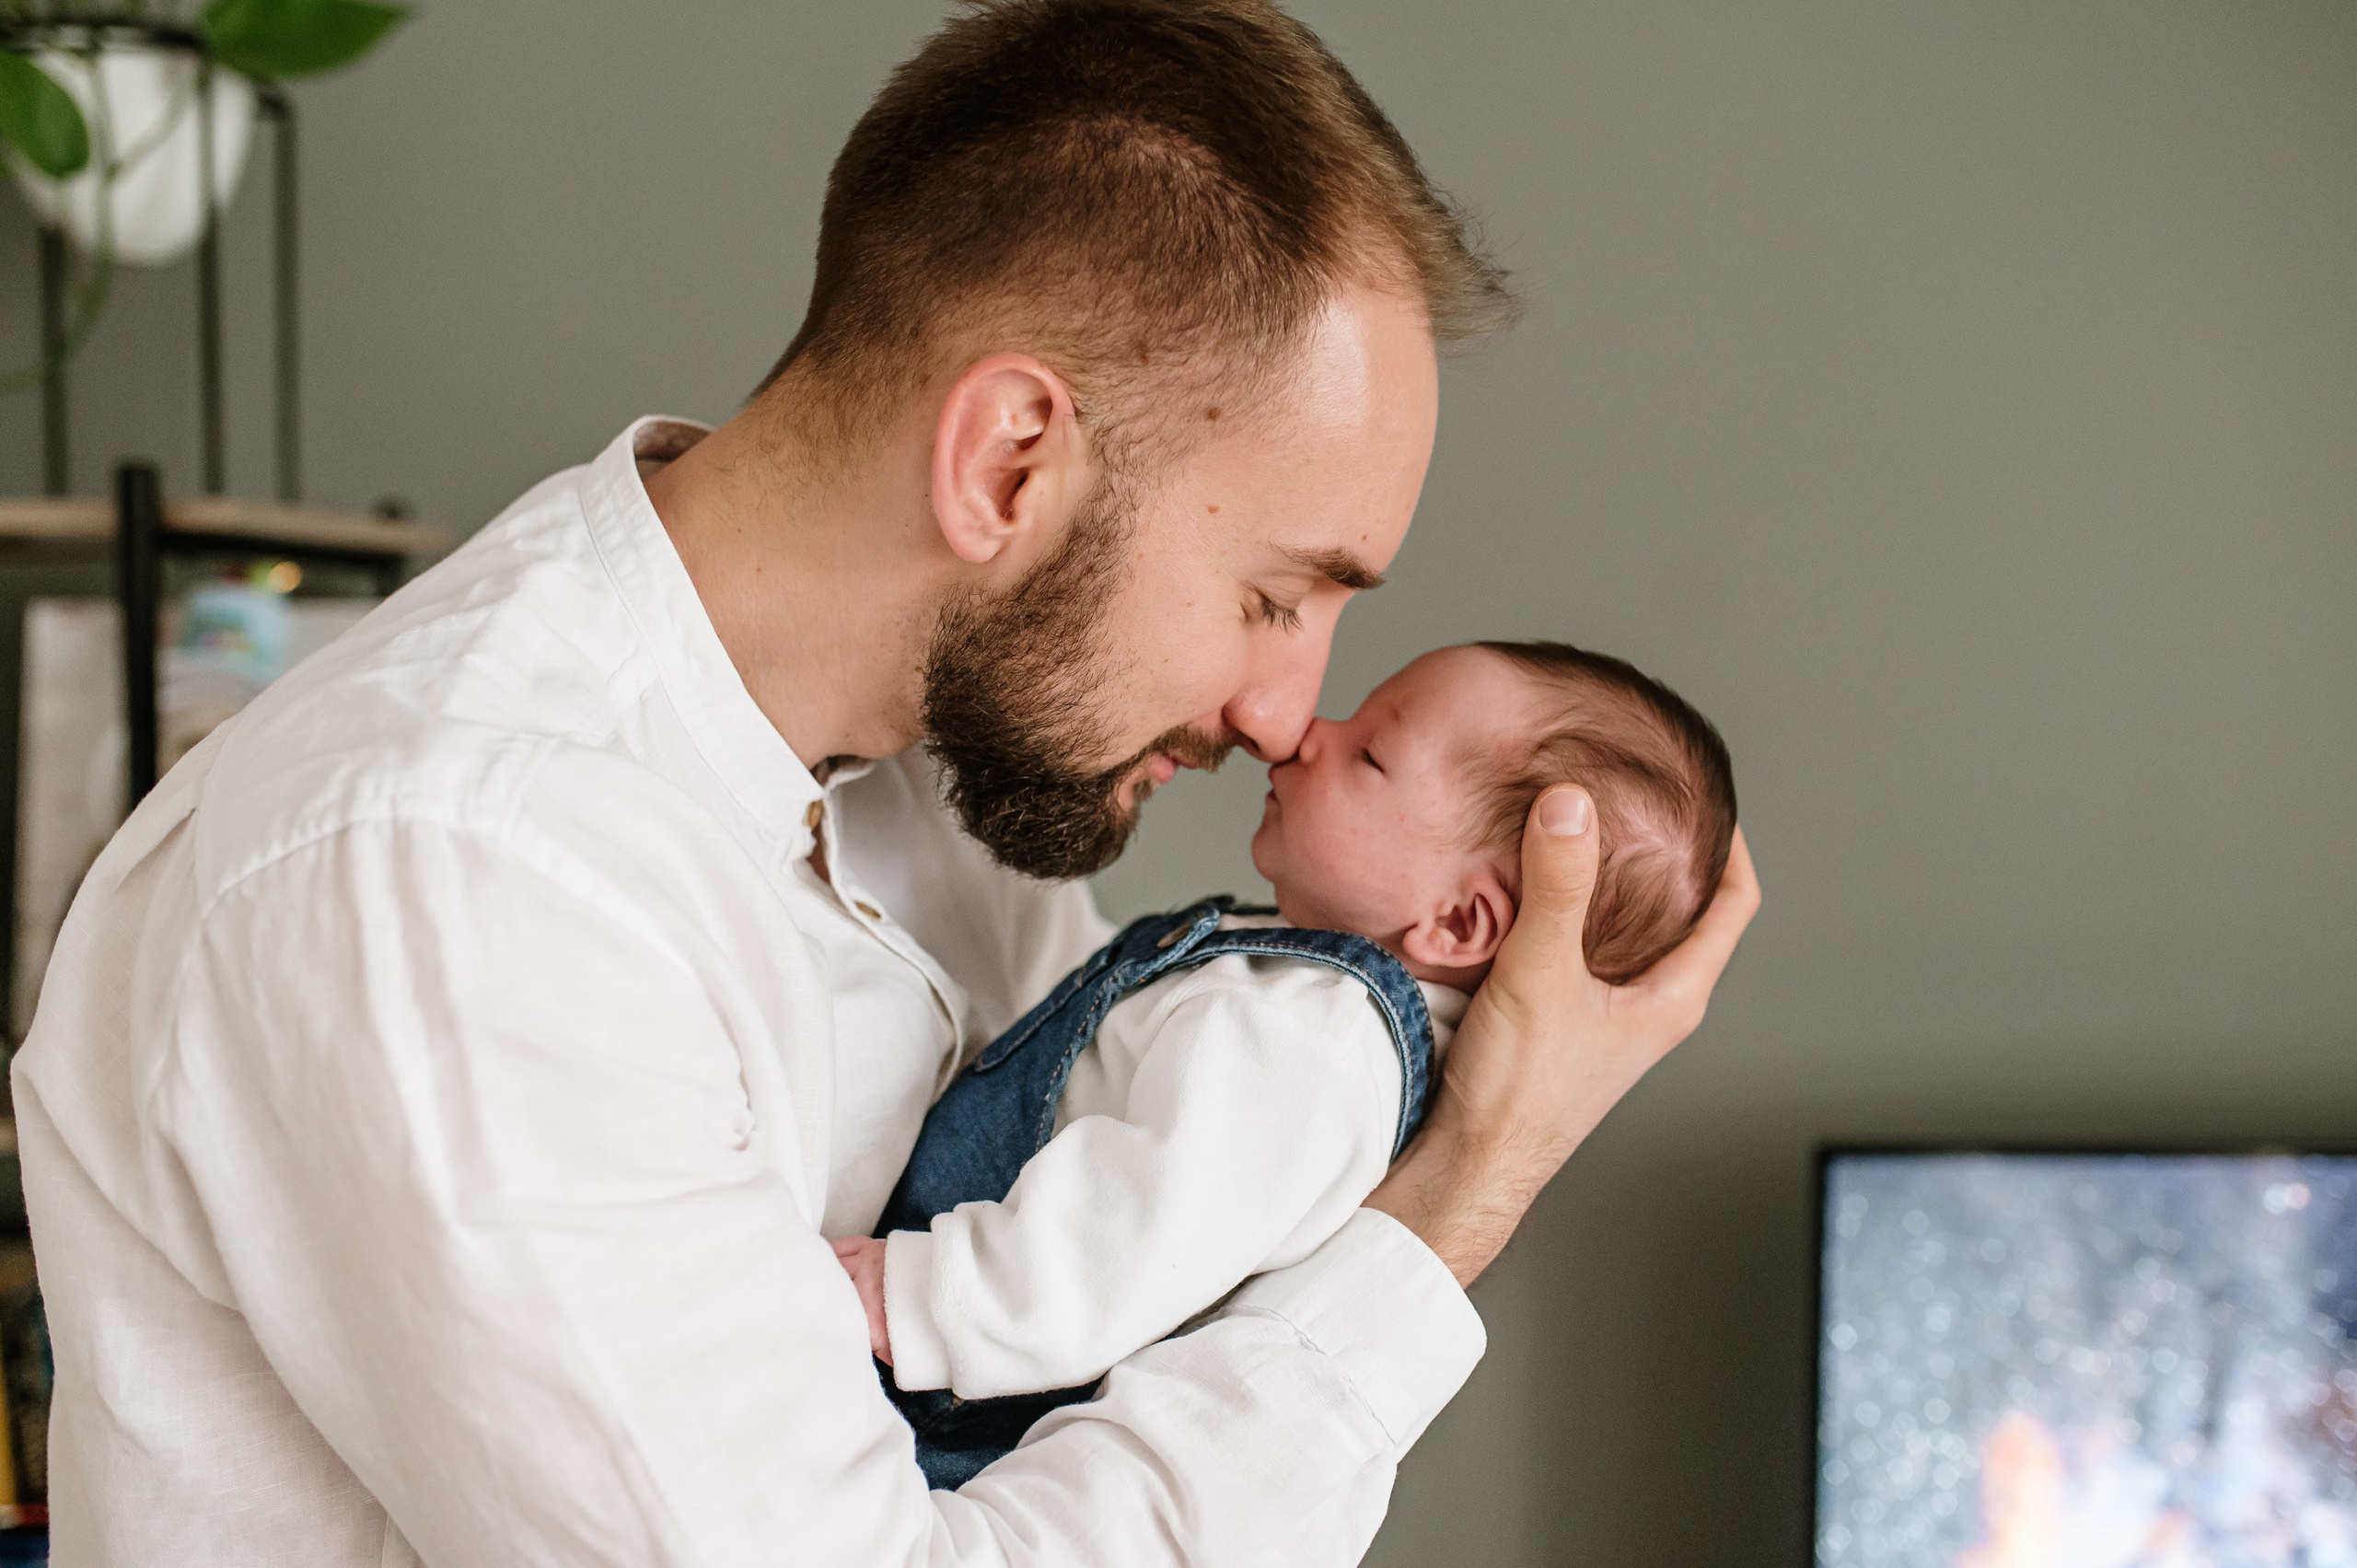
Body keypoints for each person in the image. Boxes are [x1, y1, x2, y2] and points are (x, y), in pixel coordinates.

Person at [12, 2, 1759, 1564]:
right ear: (1008, 461)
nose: (1284, 708)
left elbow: (1113, 1315)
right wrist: (1466, 1187)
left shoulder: (960, 789)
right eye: (1274, 594)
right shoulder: (460, 882)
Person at [835, 640, 1736, 1487]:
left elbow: (1135, 1233)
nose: (1307, 733)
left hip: (938, 1395)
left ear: (1459, 922)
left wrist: (920, 1300)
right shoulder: (1304, 1000)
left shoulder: (1318, 1045)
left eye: (1370, 754)